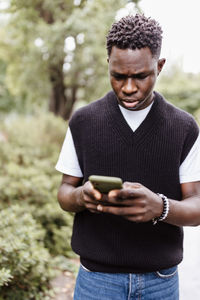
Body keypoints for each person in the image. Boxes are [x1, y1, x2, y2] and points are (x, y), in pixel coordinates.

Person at [55, 14, 200, 300]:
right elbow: (64, 192)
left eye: (141, 76)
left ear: (159, 67)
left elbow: (196, 208)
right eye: (119, 76)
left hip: (161, 281)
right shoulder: (83, 121)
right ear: (108, 64)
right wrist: (81, 197)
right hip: (96, 281)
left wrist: (160, 207)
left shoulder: (184, 127)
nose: (129, 88)